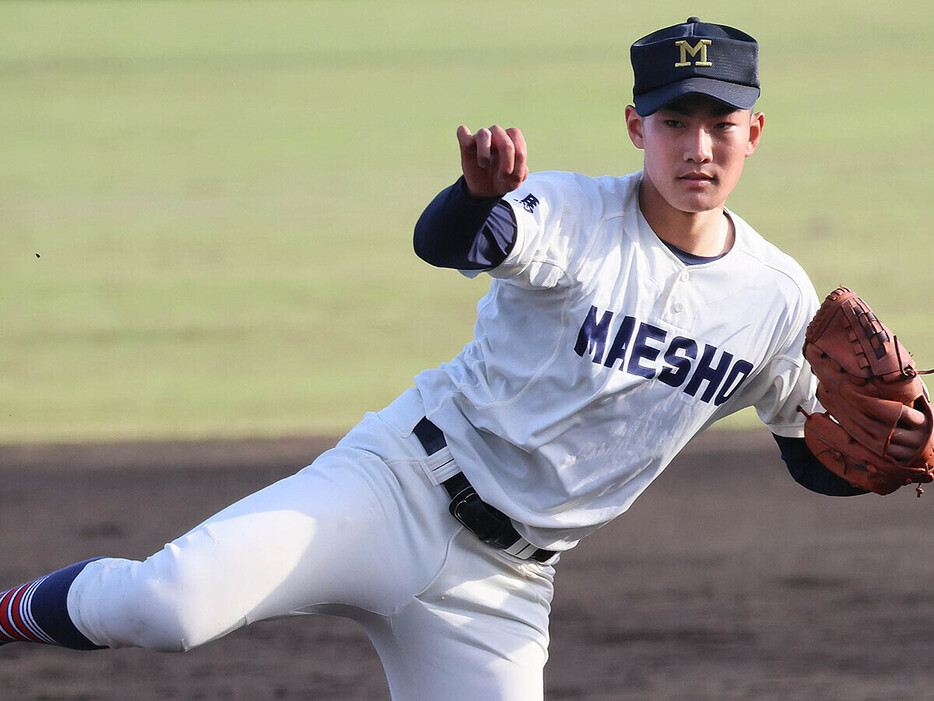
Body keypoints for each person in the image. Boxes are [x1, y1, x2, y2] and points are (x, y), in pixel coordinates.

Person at [1, 16, 929, 701]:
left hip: (506, 587)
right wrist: (472, 192)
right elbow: (449, 243)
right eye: (673, 122)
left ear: (753, 133)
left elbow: (808, 452)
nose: (697, 146)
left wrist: (889, 460)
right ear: (635, 127)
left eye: (719, 124)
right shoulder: (569, 212)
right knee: (168, 606)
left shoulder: (776, 297)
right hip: (394, 487)